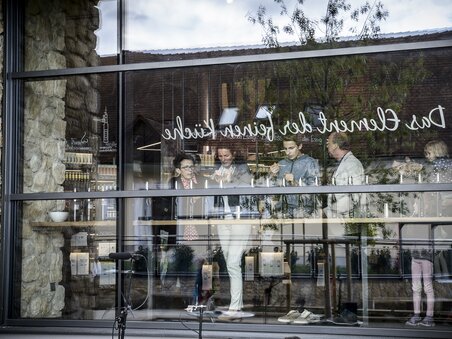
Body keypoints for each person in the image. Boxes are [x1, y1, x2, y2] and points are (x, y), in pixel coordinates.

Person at [210, 146, 255, 319]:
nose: (223, 158)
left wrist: (226, 180)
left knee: (233, 263)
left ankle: (235, 308)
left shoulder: (242, 169)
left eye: (226, 155)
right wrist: (215, 180)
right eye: (220, 156)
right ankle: (238, 305)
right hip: (223, 220)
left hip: (240, 219)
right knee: (229, 261)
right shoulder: (216, 169)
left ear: (234, 154)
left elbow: (246, 186)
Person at [269, 135, 320, 217]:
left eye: (291, 148)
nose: (287, 152)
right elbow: (273, 192)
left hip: (303, 213)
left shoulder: (310, 163)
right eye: (285, 148)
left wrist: (294, 182)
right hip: (282, 212)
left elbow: (315, 192)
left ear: (300, 146)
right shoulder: (281, 164)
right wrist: (272, 175)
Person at [326, 132, 364, 218]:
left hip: (348, 219)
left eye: (329, 144)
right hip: (341, 217)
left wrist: (326, 212)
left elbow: (355, 197)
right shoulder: (342, 163)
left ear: (335, 145)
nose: (327, 147)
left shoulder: (352, 164)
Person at [171, 153, 203, 240]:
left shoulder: (201, 180)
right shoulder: (174, 182)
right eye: (186, 167)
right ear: (178, 170)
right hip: (181, 223)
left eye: (191, 167)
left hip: (200, 223)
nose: (190, 170)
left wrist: (201, 197)